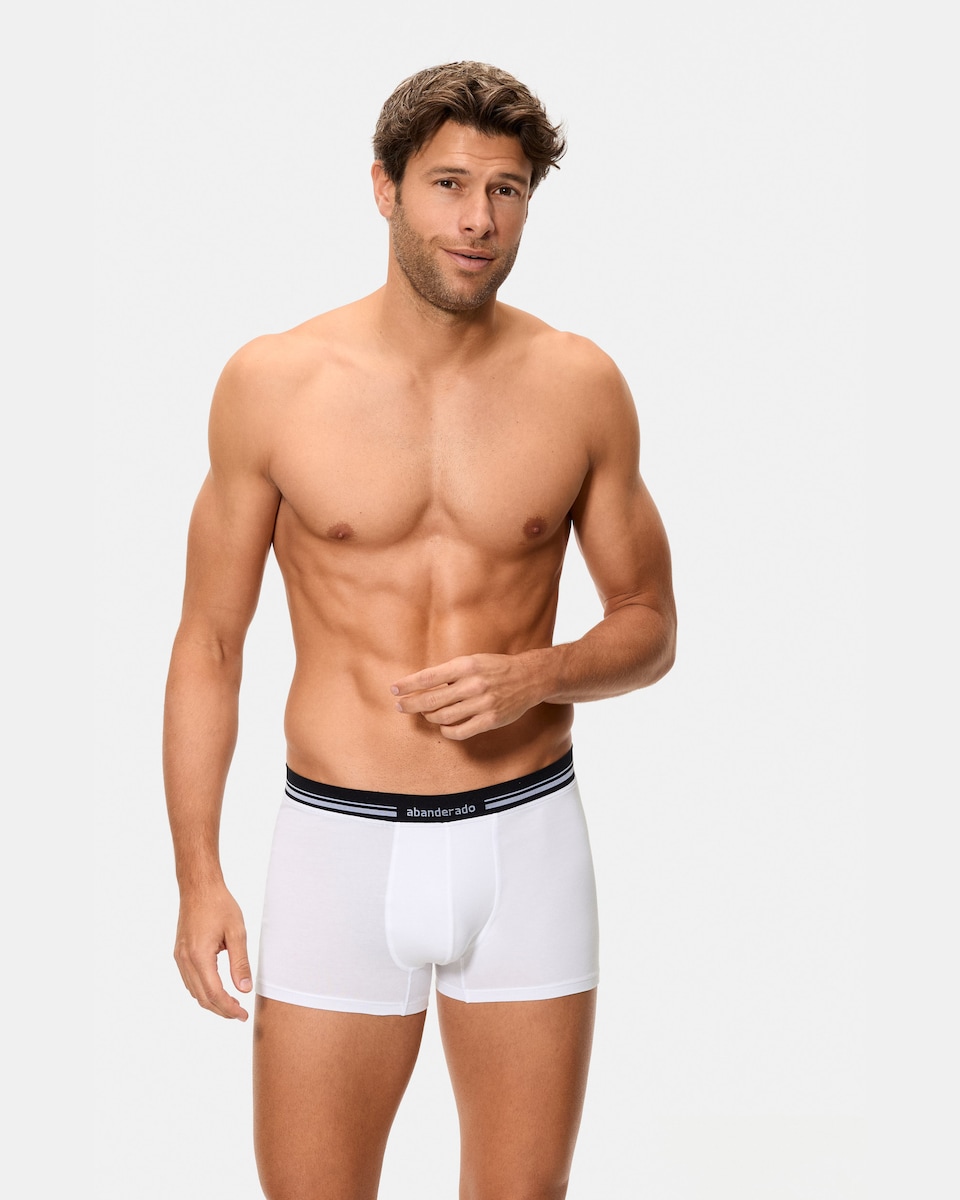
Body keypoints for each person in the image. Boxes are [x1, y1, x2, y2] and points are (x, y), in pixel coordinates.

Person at [163, 60, 676, 1200]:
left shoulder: (580, 384)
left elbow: (649, 625)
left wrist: (539, 673)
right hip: (338, 847)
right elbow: (210, 644)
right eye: (448, 183)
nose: (478, 219)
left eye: (506, 190)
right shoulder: (274, 384)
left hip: (526, 840)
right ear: (385, 188)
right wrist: (199, 875)